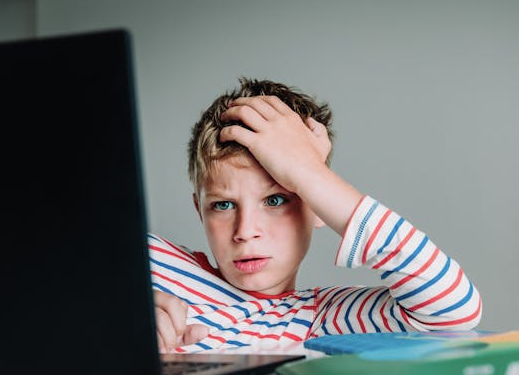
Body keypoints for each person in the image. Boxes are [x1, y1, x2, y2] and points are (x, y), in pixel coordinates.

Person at [150, 78, 482, 353]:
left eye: (276, 199)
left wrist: (310, 173)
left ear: (319, 205)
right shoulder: (150, 258)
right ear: (200, 209)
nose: (245, 231)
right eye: (223, 205)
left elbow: (452, 310)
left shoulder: (316, 318)